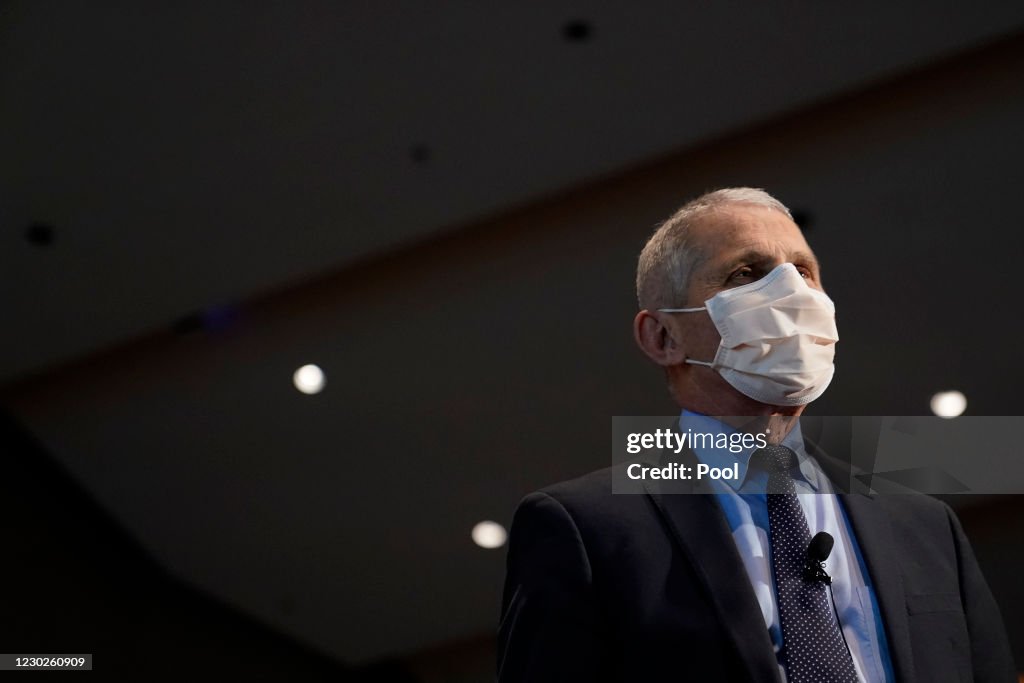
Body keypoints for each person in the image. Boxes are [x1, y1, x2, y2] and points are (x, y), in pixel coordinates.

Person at [497, 188, 1015, 682]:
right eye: (747, 274)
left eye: (804, 271)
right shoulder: (587, 528)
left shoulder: (924, 523)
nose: (792, 294)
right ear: (663, 336)